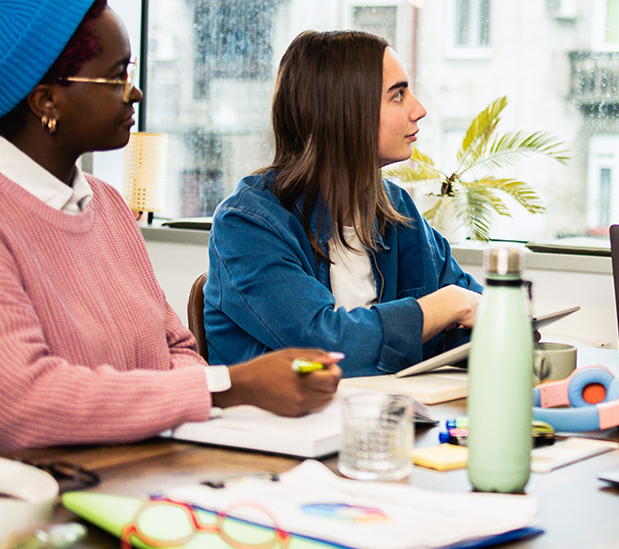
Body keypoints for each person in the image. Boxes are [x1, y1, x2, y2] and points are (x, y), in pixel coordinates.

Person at [0, 0, 340, 455]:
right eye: (117, 77)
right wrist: (229, 386)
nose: (134, 94)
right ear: (47, 100)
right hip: (12, 497)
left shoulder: (106, 204)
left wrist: (208, 402)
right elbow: (20, 408)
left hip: (138, 473)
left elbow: (175, 349)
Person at [204, 30, 483, 377]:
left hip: (385, 407)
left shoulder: (397, 210)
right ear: (344, 113)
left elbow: (471, 314)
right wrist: (446, 306)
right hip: (283, 415)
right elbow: (323, 347)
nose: (419, 110)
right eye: (398, 95)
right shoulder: (247, 225)